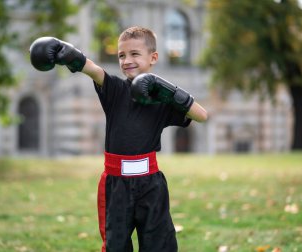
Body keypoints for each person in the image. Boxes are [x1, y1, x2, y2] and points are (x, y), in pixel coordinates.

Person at [29, 26, 208, 252]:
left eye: (134, 54)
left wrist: (168, 91)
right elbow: (94, 70)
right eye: (121, 55)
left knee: (160, 243)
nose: (126, 60)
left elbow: (202, 115)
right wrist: (70, 54)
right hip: (116, 185)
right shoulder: (115, 89)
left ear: (153, 58)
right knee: (116, 246)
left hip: (151, 183)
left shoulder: (163, 101)